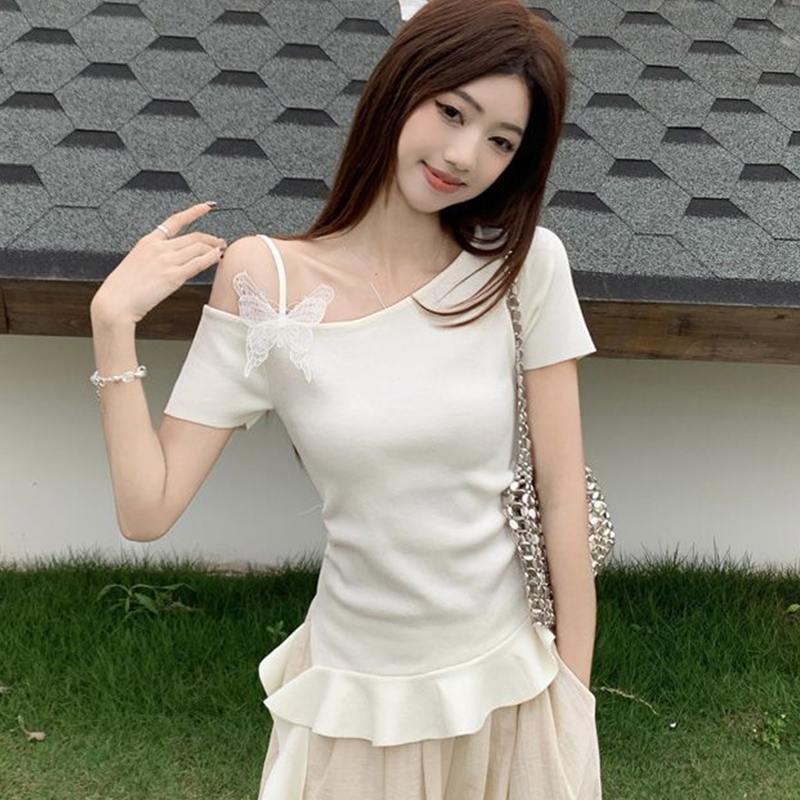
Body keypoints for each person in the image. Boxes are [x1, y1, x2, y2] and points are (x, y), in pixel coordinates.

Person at [90, 0, 602, 797]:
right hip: (356, 704)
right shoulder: (267, 281)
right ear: (401, 88)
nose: (464, 155)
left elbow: (562, 497)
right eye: (452, 112)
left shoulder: (526, 267)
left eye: (501, 141)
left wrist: (572, 699)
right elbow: (146, 511)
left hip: (510, 691)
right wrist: (112, 323)